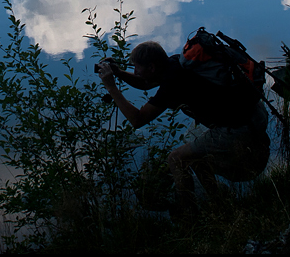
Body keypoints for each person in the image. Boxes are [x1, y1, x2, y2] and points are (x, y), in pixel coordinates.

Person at [97, 40, 270, 209]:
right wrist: (118, 72)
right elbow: (144, 83)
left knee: (176, 158)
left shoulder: (173, 83)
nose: (135, 71)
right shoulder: (174, 63)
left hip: (237, 128)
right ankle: (219, 203)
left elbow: (138, 120)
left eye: (137, 67)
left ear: (152, 67)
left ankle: (188, 214)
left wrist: (111, 87)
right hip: (252, 113)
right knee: (193, 155)